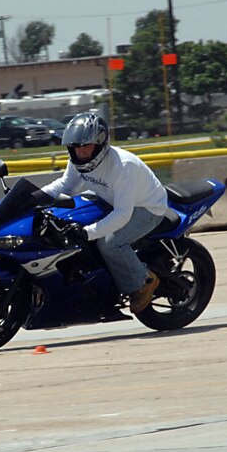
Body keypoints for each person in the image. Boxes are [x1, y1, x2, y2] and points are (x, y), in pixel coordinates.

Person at [39, 112, 169, 313]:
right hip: (108, 198)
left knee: (109, 244)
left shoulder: (122, 167)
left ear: (100, 144)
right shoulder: (77, 160)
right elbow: (66, 185)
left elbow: (123, 214)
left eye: (86, 145)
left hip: (146, 207)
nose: (81, 151)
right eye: (76, 146)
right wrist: (34, 197)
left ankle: (143, 281)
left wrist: (88, 232)